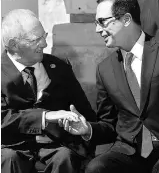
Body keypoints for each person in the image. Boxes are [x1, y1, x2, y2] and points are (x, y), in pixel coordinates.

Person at [60, 0, 159, 173]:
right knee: (96, 168)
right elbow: (109, 124)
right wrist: (87, 129)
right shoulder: (105, 69)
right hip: (129, 152)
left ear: (127, 19)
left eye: (102, 21)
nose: (98, 29)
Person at [1, 9, 96, 173]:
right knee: (9, 158)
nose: (44, 44)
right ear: (13, 44)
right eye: (35, 40)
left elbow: (84, 111)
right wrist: (45, 116)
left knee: (65, 157)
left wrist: (81, 127)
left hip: (56, 146)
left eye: (44, 36)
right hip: (13, 146)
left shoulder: (58, 67)